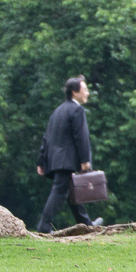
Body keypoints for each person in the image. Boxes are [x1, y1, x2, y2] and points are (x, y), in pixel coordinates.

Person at [34, 75, 103, 234]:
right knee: (59, 192)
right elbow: (81, 137)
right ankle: (44, 227)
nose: (87, 93)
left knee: (73, 191)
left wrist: (41, 160)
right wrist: (85, 161)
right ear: (74, 92)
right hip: (66, 160)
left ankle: (86, 224)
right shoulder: (77, 110)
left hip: (56, 160)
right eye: (85, 90)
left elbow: (47, 137)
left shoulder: (57, 110)